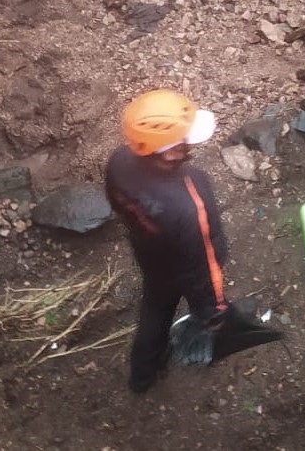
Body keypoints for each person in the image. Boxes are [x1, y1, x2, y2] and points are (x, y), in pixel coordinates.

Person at [105, 90, 229, 394]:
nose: (188, 145)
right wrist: (213, 310)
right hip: (184, 265)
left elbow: (118, 202)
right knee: (181, 300)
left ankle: (142, 377)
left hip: (149, 252)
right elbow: (204, 265)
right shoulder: (190, 199)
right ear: (169, 151)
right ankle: (199, 338)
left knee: (155, 309)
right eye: (184, 140)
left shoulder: (119, 162)